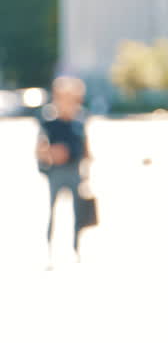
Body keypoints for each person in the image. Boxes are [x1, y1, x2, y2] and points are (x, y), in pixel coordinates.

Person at [35, 75, 93, 267]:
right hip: (56, 172)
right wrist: (52, 153)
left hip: (75, 171)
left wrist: (88, 164)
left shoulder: (79, 120)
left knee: (78, 213)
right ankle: (49, 250)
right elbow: (39, 149)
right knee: (52, 211)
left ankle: (76, 250)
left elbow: (86, 147)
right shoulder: (49, 121)